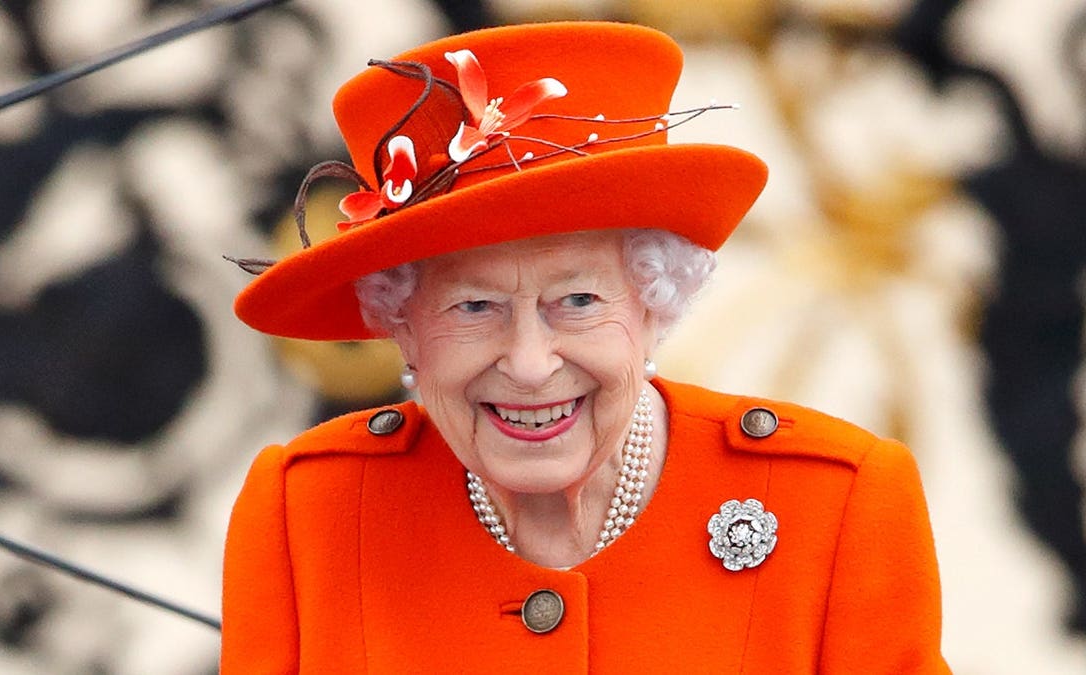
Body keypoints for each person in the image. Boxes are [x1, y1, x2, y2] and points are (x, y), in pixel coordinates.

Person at [221, 20, 951, 673]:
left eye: (577, 301)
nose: (531, 362)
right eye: (475, 306)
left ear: (654, 302)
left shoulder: (835, 507)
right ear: (400, 324)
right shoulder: (307, 515)